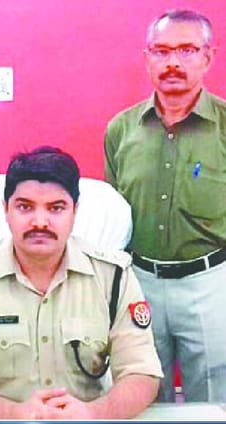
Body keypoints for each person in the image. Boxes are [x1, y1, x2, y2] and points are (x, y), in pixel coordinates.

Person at [0, 146, 162, 419]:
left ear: (75, 212)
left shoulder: (113, 277)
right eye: (25, 207)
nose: (40, 222)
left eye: (56, 208)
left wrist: (94, 414)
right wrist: (13, 414)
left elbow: (141, 373)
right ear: (6, 210)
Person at [105, 9, 226, 403]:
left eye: (187, 50)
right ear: (147, 58)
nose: (173, 62)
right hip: (138, 282)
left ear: (208, 57)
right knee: (140, 390)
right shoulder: (121, 129)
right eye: (161, 51)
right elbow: (112, 218)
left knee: (213, 398)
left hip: (210, 283)